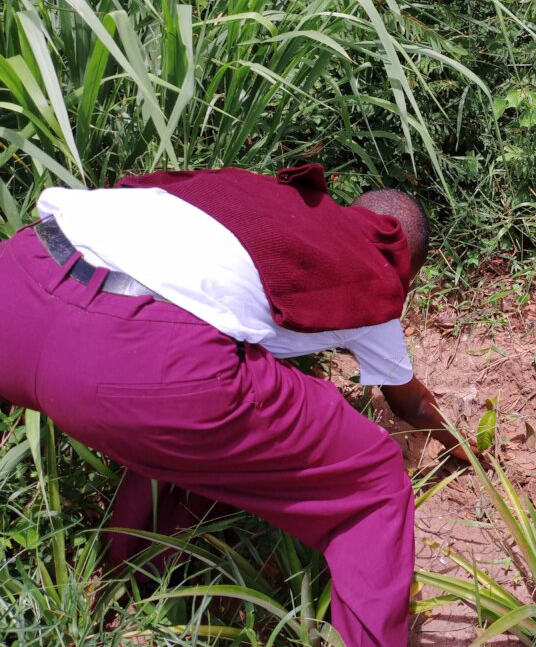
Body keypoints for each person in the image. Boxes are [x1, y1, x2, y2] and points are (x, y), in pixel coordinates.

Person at [0, 163, 464, 647]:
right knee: (374, 480)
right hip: (139, 358)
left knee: (186, 427)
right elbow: (411, 406)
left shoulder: (276, 205)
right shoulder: (369, 274)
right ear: (406, 265)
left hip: (20, 276)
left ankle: (135, 579)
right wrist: (467, 449)